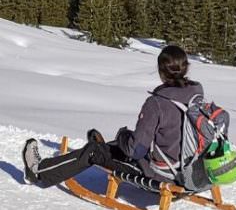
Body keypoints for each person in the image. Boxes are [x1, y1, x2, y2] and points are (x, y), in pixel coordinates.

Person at [22, 45, 202, 188]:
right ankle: (105, 147)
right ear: (185, 69)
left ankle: (38, 171)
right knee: (119, 145)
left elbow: (135, 150)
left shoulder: (156, 103)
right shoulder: (196, 94)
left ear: (161, 71)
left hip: (164, 173)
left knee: (95, 150)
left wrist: (123, 136)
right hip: (190, 168)